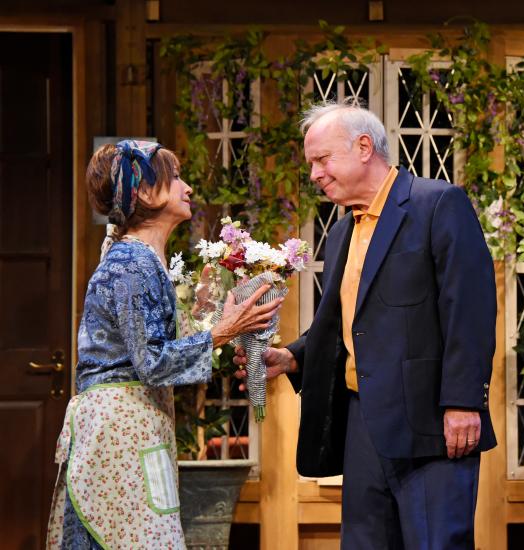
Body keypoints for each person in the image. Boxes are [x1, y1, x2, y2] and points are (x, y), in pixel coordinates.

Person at [235, 98, 497, 549]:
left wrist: (462, 402)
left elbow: (469, 311)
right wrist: (292, 358)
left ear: (362, 147)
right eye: (311, 163)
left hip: (432, 423)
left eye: (322, 159)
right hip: (363, 425)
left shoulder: (437, 205)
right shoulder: (340, 233)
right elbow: (344, 325)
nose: (315, 174)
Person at [46, 140, 282, 549]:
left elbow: (174, 343)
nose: (187, 187)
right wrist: (222, 331)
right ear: (144, 192)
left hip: (135, 427)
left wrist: (227, 314)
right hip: (119, 433)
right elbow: (152, 361)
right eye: (175, 178)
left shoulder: (144, 259)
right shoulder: (131, 263)